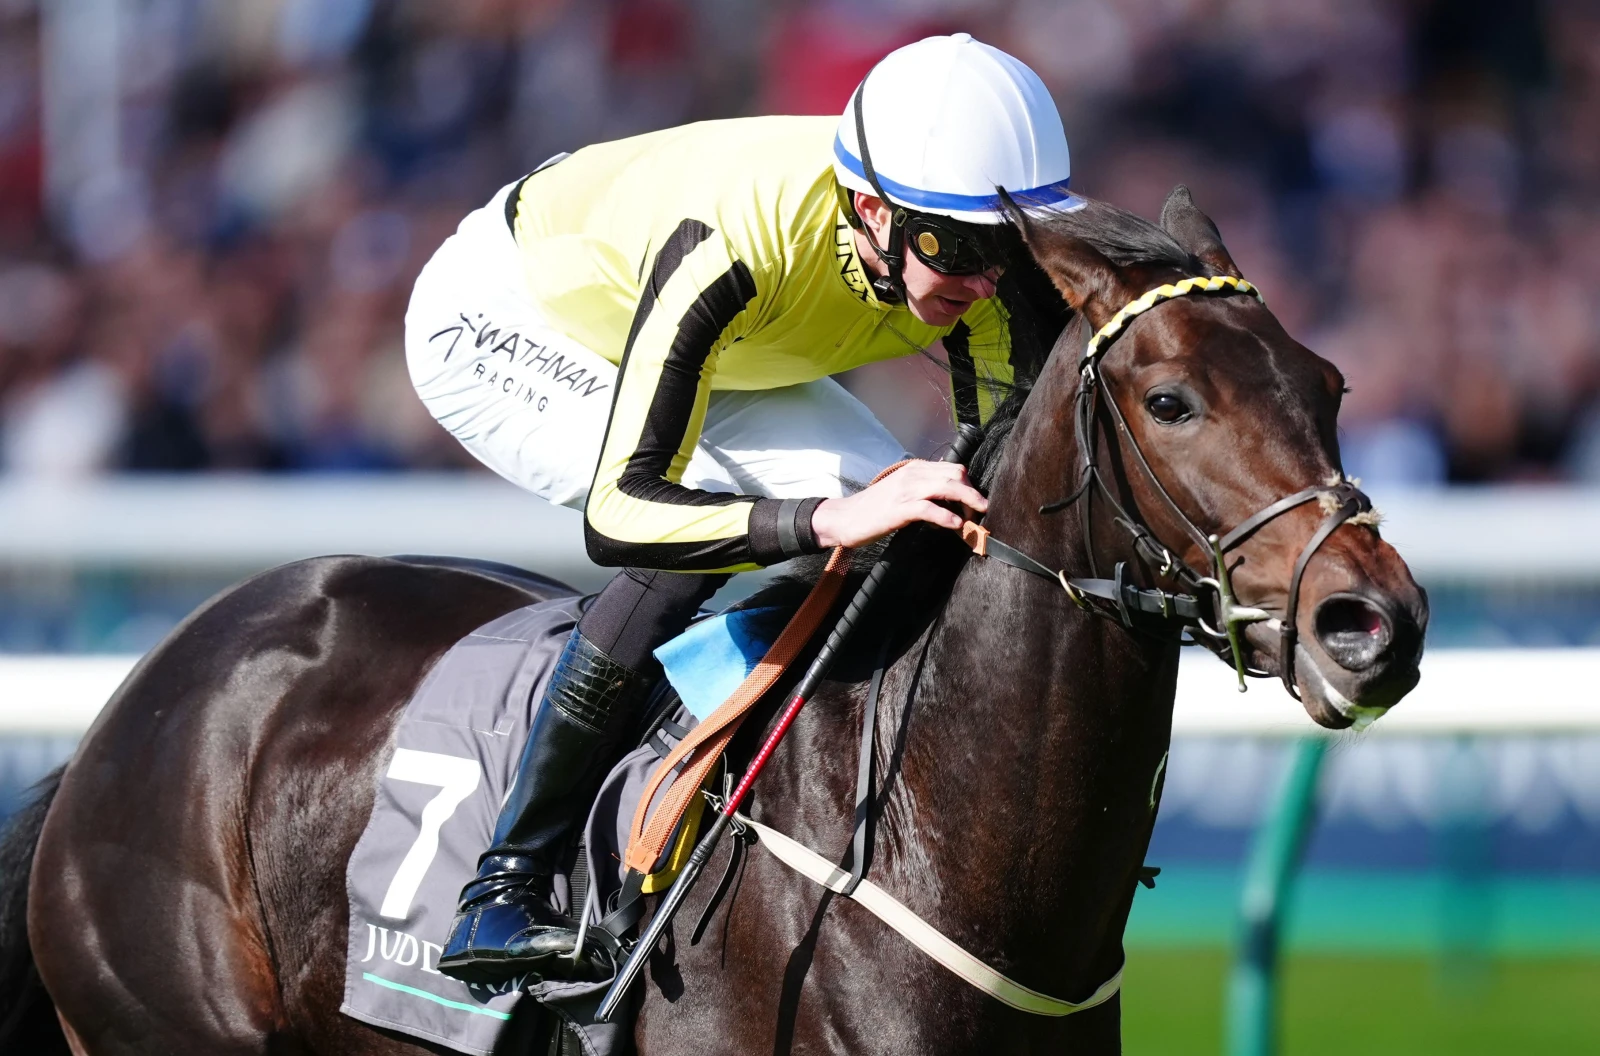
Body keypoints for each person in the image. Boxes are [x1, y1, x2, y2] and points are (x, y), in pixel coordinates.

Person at [404, 33, 1077, 986]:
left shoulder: (962, 253)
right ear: (873, 211)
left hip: (728, 350)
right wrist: (814, 522)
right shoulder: (732, 238)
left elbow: (1002, 488)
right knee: (719, 517)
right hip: (518, 314)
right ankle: (505, 887)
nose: (985, 282)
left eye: (1013, 251)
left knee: (915, 522)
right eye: (959, 251)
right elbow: (624, 514)